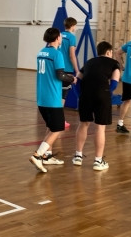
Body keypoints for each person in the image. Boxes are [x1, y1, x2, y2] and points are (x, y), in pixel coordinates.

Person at [29, 27, 75, 173]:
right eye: (60, 36)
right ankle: (38, 155)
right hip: (53, 98)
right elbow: (60, 75)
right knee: (58, 128)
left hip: (41, 98)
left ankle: (47, 156)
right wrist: (71, 78)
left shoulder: (41, 52)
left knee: (50, 127)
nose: (61, 38)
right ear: (56, 38)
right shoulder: (57, 54)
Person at [72, 41, 120, 171]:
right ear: (109, 52)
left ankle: (78, 156)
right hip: (102, 94)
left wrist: (80, 95)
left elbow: (77, 80)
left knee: (83, 124)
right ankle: (98, 161)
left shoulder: (89, 62)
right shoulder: (114, 63)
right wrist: (107, 93)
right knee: (100, 127)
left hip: (85, 95)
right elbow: (114, 83)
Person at [59, 17, 80, 129]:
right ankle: (60, 120)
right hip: (66, 68)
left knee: (57, 93)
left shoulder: (59, 35)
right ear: (72, 26)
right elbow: (72, 55)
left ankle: (55, 118)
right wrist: (77, 70)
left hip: (57, 67)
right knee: (63, 96)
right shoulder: (72, 37)